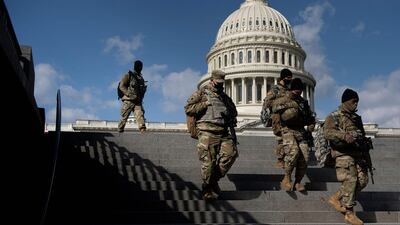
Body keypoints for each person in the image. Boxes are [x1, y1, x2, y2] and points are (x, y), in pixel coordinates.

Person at [184, 70, 238, 201]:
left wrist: (229, 113)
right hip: (207, 131)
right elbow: (188, 108)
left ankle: (213, 180)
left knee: (231, 154)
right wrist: (204, 104)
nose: (220, 85)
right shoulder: (201, 93)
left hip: (223, 131)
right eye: (218, 82)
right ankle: (207, 189)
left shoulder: (224, 97)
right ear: (212, 80)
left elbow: (234, 112)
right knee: (208, 163)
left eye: (222, 83)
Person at [324, 88, 371, 225]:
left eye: (357, 101)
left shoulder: (356, 118)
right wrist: (343, 135)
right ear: (345, 101)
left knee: (363, 180)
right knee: (350, 181)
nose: (356, 104)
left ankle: (336, 197)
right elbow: (327, 133)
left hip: (357, 153)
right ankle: (349, 213)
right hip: (342, 153)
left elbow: (360, 135)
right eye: (353, 101)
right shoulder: (334, 116)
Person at [272, 78, 315, 191]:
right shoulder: (281, 100)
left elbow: (310, 118)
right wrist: (278, 132)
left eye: (300, 90)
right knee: (293, 152)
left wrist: (311, 125)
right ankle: (287, 178)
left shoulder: (303, 103)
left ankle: (298, 182)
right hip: (286, 129)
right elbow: (275, 116)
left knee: (305, 157)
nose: (298, 92)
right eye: (295, 90)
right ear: (291, 89)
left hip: (301, 130)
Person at [262, 68, 293, 168]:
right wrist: (281, 104)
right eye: (288, 78)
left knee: (286, 140)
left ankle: (285, 158)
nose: (290, 80)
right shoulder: (275, 90)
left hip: (288, 118)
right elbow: (267, 103)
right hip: (278, 119)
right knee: (281, 139)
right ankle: (280, 159)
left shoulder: (289, 90)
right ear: (283, 77)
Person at [118, 60, 147, 133]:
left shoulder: (141, 78)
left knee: (140, 114)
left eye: (140, 66)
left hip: (137, 101)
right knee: (124, 116)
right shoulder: (129, 75)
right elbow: (121, 86)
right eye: (138, 66)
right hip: (129, 100)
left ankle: (142, 129)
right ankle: (120, 129)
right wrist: (128, 94)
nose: (140, 68)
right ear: (135, 66)